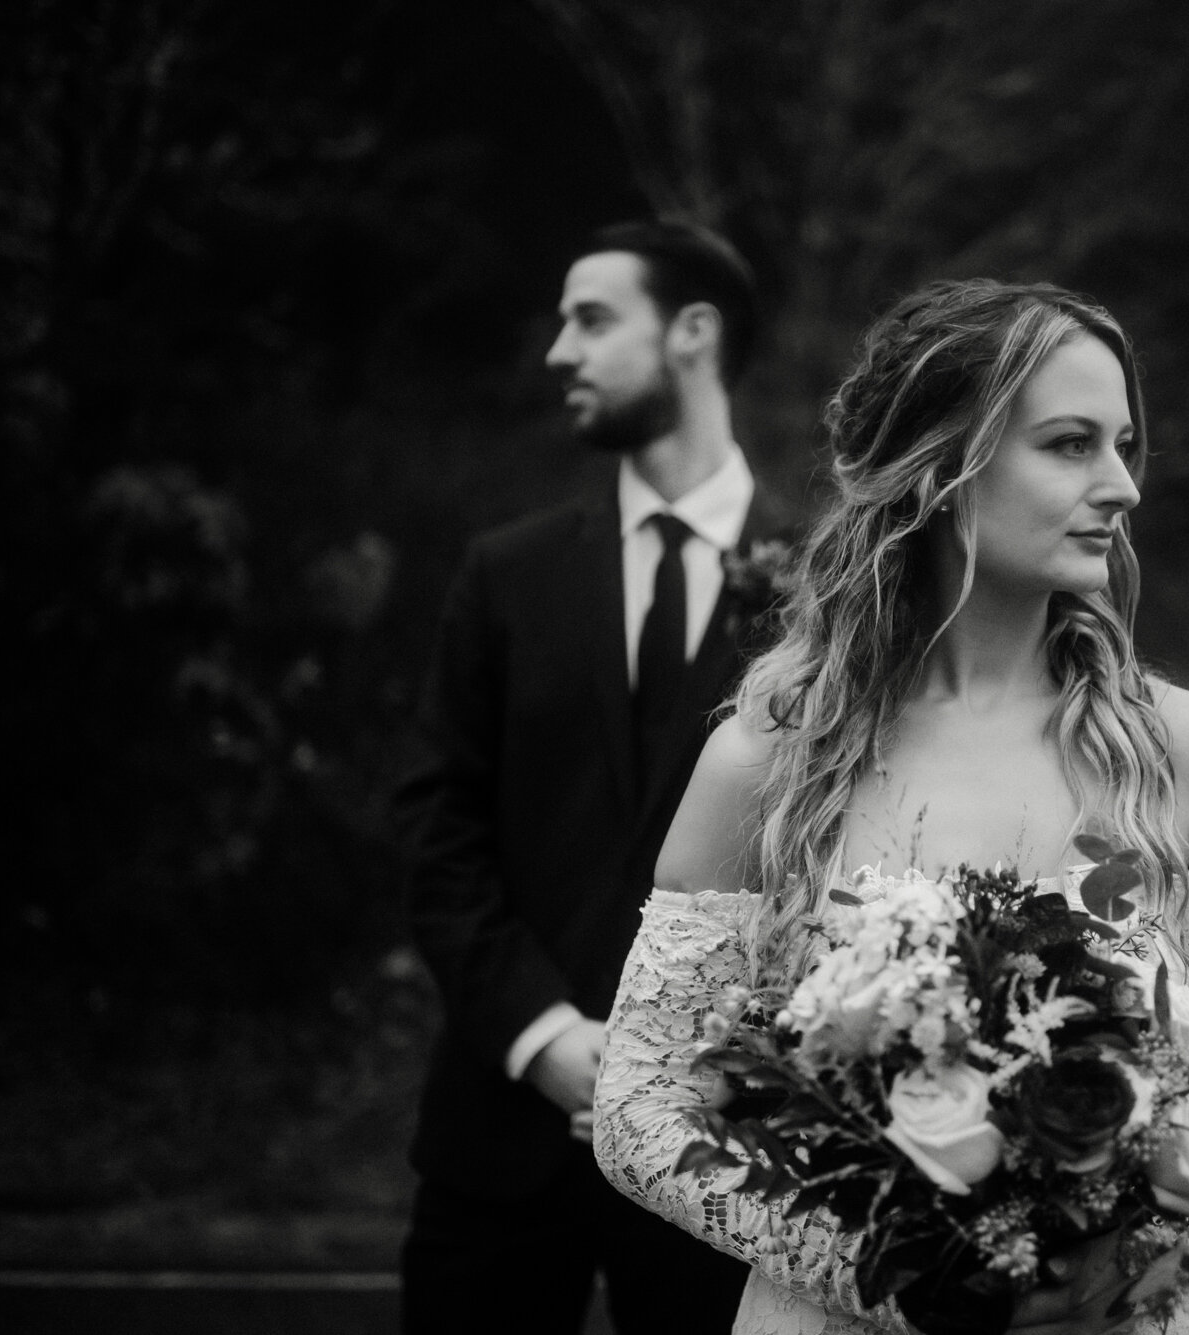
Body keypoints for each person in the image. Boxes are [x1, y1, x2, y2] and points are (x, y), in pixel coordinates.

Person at [591, 279, 1189, 1334]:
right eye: (1068, 444)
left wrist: (1119, 1257)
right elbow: (637, 1112)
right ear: (934, 468)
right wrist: (901, 1276)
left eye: (1123, 445)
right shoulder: (766, 763)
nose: (1121, 487)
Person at [393, 220, 779, 1335]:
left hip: (733, 1149)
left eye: (592, 318)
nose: (560, 350)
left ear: (693, 333)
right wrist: (545, 1036)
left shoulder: (828, 588)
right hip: (502, 1133)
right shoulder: (505, 575)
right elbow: (436, 826)